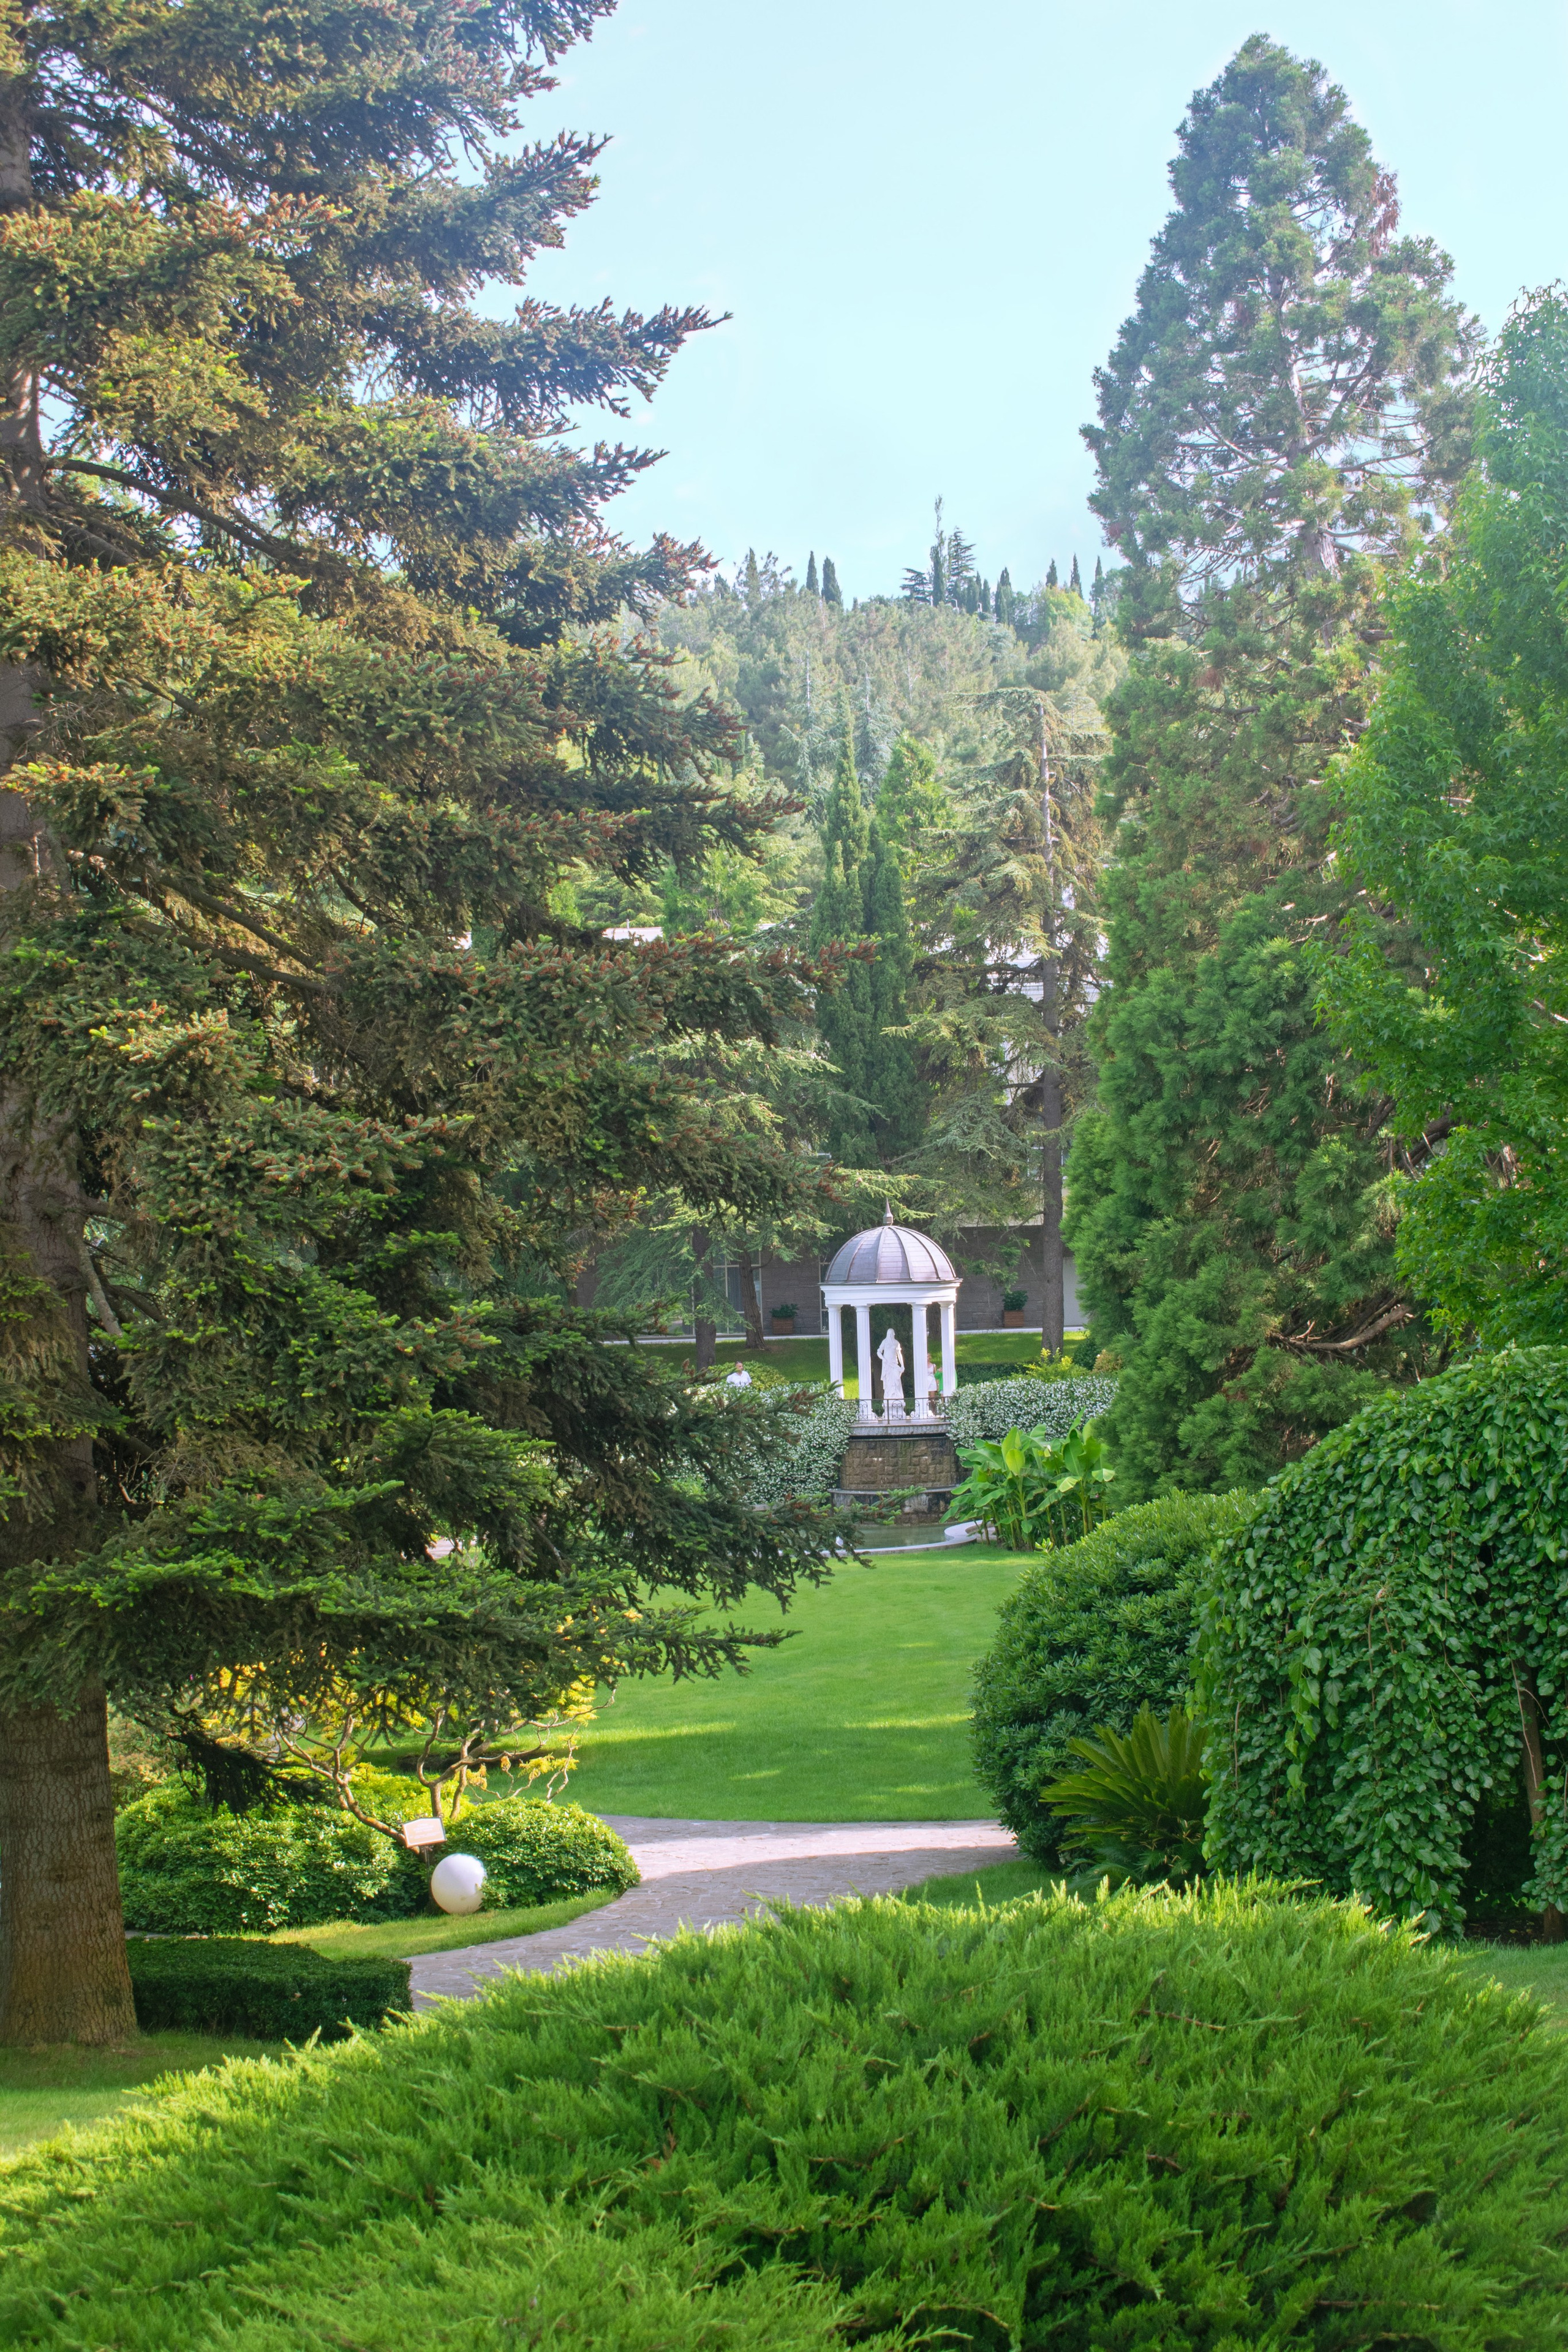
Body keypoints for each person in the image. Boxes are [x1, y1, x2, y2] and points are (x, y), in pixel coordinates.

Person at [876, 1326, 905, 1419]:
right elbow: (879, 1352)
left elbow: (899, 1354)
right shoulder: (885, 1342)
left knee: (897, 1380)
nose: (891, 1335)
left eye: (892, 1334)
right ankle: (890, 1397)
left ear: (893, 1334)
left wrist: (902, 1365)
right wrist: (883, 1359)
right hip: (887, 1365)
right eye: (889, 1334)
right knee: (888, 1382)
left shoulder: (896, 1343)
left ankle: (897, 1397)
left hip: (895, 1364)